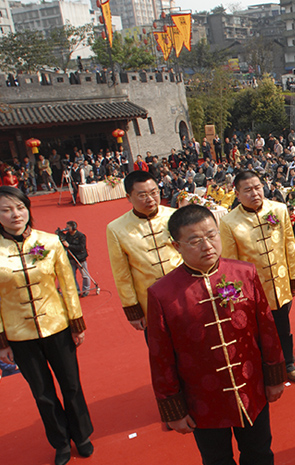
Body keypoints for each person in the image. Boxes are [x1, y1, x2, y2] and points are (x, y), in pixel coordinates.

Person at [146, 205, 286, 465]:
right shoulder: (162, 293)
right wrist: (173, 409)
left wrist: (275, 376)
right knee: (216, 459)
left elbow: (267, 328)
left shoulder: (245, 273)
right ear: (176, 246)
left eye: (211, 235)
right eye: (195, 241)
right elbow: (160, 355)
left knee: (260, 453)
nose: (207, 245)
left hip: (251, 387)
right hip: (202, 397)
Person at [0, 186, 94, 465]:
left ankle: (83, 435)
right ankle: (60, 441)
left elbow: (67, 282)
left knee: (71, 384)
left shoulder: (50, 241)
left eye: (19, 207)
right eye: (6, 209)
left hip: (57, 325)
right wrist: (1, 341)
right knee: (42, 393)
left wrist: (77, 323)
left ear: (28, 209)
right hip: (19, 334)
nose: (15, 214)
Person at [219, 171, 295, 383]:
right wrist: (236, 294)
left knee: (283, 327)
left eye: (257, 187)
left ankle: (288, 364)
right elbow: (231, 263)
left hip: (280, 283)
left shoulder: (278, 209)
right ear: (237, 194)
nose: (254, 193)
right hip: (252, 291)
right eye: (247, 190)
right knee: (257, 333)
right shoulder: (229, 222)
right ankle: (263, 369)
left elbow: (289, 245)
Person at [106, 171, 182, 335]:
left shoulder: (174, 215)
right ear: (128, 197)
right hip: (150, 302)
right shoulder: (116, 229)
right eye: (142, 195)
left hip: (184, 294)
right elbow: (121, 273)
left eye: (154, 192)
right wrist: (132, 309)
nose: (150, 199)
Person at [61, 221, 91, 297]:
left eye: (69, 227)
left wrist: (69, 245)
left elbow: (81, 247)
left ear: (74, 227)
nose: (67, 228)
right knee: (72, 275)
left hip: (80, 258)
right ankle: (77, 290)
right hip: (71, 258)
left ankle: (86, 290)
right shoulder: (67, 235)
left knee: (85, 275)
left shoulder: (81, 236)